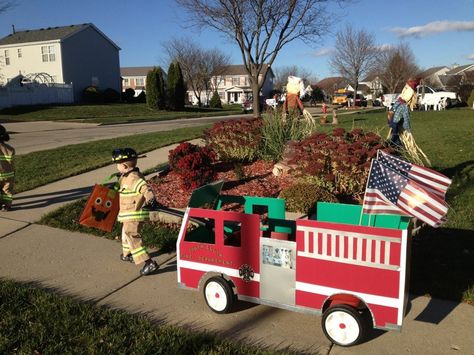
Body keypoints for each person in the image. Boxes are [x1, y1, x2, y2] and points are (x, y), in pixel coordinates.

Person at [112, 147, 159, 276]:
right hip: (128, 214)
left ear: (124, 165)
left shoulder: (133, 178)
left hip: (133, 214)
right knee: (125, 234)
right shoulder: (127, 176)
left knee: (132, 237)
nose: (117, 167)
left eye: (117, 165)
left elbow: (145, 188)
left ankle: (149, 263)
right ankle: (127, 254)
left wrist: (151, 199)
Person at [388, 78, 420, 147]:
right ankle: (396, 143)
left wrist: (407, 129)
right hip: (395, 121)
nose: (405, 88)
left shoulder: (402, 103)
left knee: (395, 128)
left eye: (406, 87)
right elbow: (406, 119)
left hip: (396, 120)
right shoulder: (402, 104)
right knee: (394, 130)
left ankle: (396, 143)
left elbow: (405, 118)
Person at [0, 124, 15, 212]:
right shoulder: (10, 149)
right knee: (7, 191)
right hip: (8, 174)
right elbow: (11, 162)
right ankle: (7, 206)